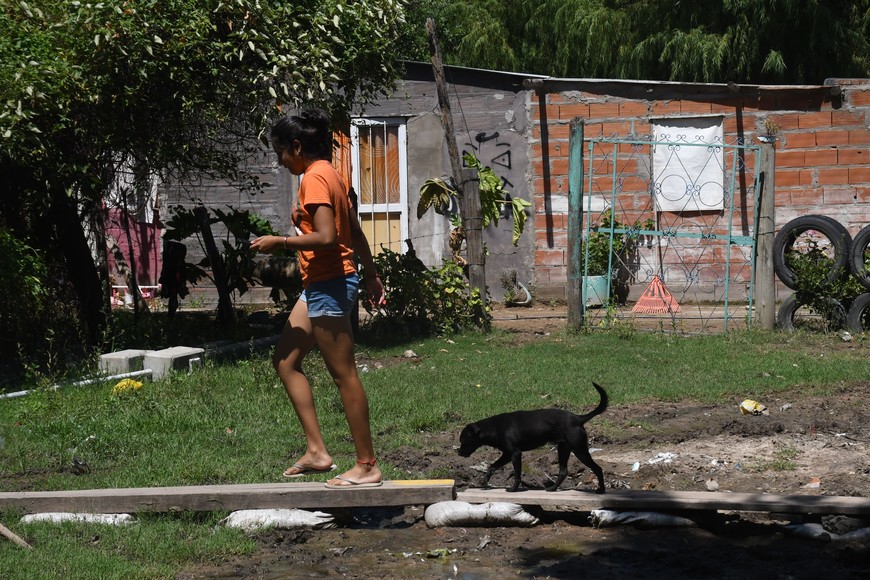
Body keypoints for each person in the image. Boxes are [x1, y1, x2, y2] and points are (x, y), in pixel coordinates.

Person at [250, 109, 385, 488]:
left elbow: (328, 237)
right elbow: (354, 232)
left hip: (329, 282)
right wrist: (371, 274)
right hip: (323, 284)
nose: (280, 161)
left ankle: (367, 465)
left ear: (297, 147)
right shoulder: (331, 174)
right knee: (285, 360)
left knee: (344, 375)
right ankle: (317, 452)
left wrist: (281, 242)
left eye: (280, 152)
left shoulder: (314, 178)